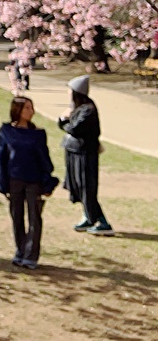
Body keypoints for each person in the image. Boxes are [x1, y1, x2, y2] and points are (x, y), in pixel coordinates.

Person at [0, 97, 60, 269]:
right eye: (27, 108)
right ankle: (20, 250)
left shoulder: (38, 134)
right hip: (14, 180)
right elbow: (1, 158)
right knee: (17, 217)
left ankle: (31, 255)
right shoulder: (6, 131)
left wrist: (47, 182)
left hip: (34, 180)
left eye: (31, 108)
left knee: (34, 218)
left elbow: (44, 159)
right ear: (17, 110)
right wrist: (2, 184)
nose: (31, 111)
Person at [59, 75, 113, 236]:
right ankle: (88, 216)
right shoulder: (78, 107)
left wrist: (63, 120)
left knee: (86, 187)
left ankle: (102, 221)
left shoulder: (88, 110)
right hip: (75, 151)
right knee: (77, 185)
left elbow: (75, 128)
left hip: (84, 153)